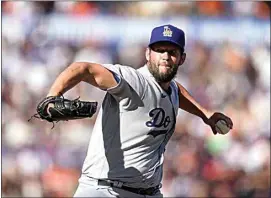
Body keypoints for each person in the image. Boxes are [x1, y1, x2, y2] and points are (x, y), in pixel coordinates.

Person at [45, 24, 233, 197]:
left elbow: (175, 90)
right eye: (159, 50)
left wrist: (204, 114)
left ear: (182, 58)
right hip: (104, 190)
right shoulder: (133, 81)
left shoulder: (170, 89)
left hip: (147, 192)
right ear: (148, 54)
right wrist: (52, 97)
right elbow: (82, 68)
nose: (165, 56)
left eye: (172, 52)